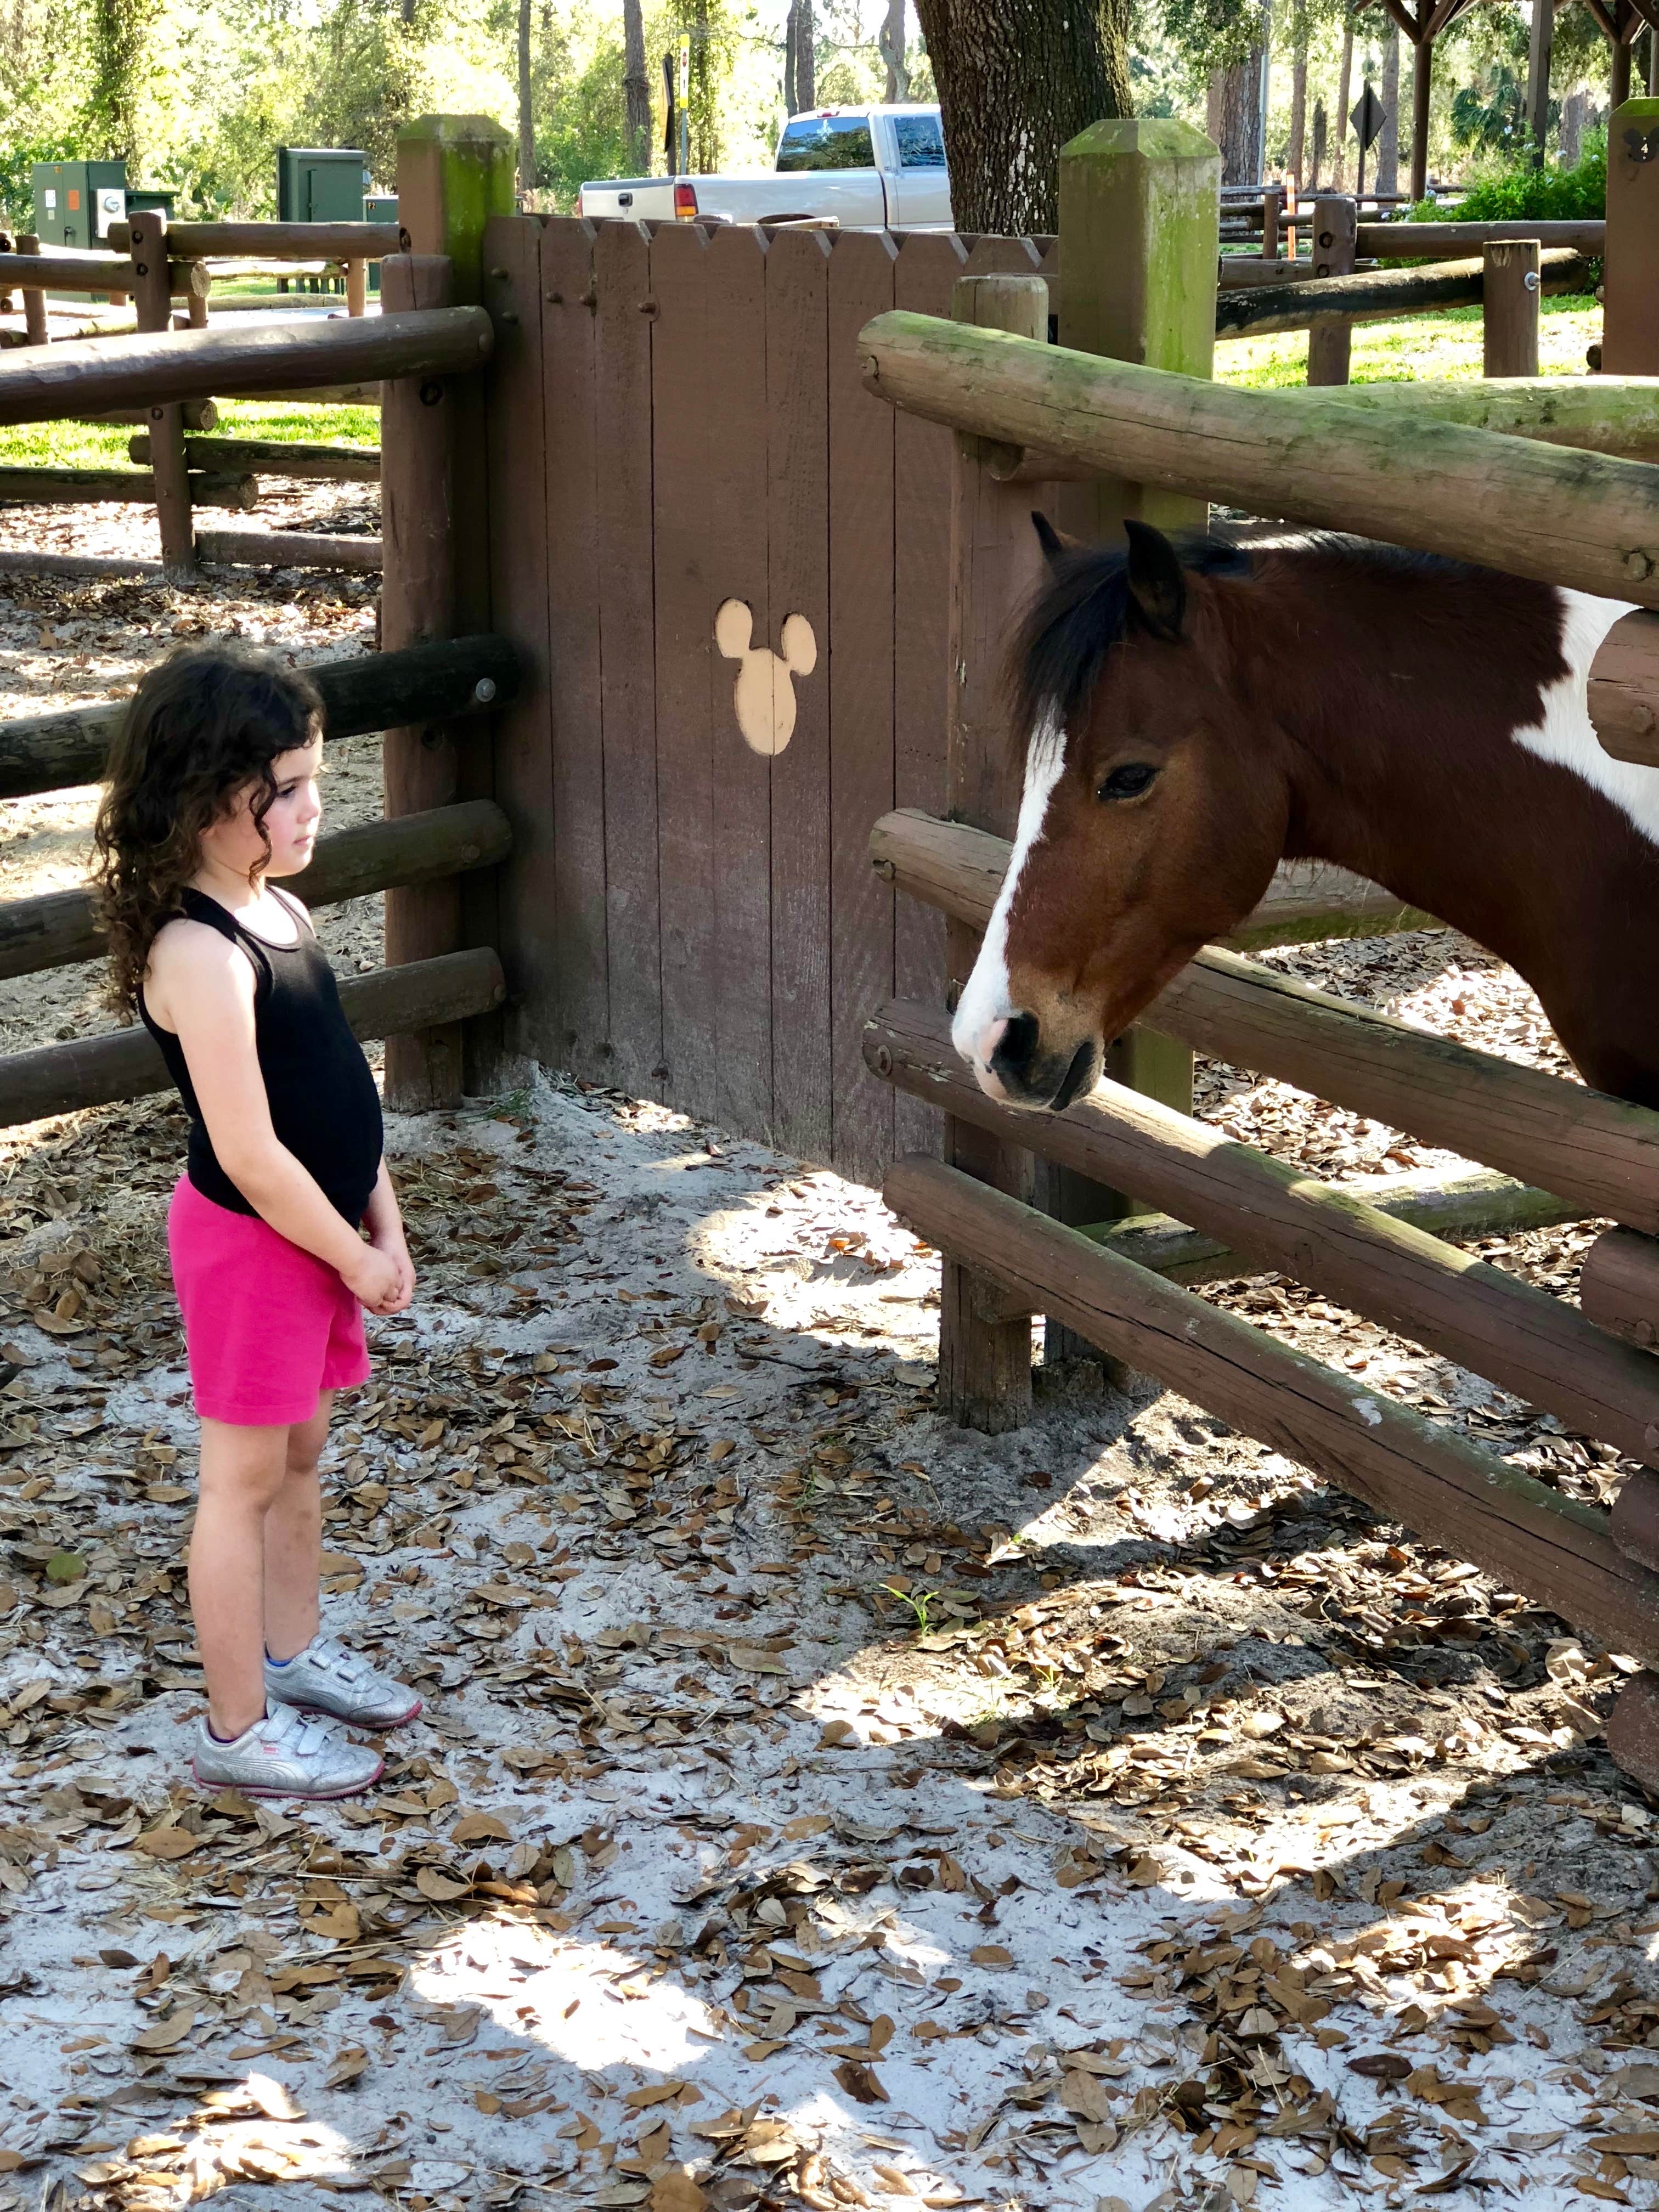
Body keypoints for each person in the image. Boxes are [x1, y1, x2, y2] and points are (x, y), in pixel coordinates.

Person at [93, 643, 420, 1799]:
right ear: (203, 797)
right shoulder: (198, 952)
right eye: (280, 788)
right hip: (253, 1247)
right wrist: (347, 1253)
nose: (309, 804)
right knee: (239, 1481)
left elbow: (335, 1091)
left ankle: (293, 1654)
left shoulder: (274, 908)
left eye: (310, 778)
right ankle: (236, 1732)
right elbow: (249, 1152)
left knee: (303, 1455)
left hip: (323, 1240)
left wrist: (380, 1219)